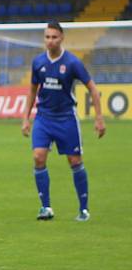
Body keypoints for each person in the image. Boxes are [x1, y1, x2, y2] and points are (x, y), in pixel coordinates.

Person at [22, 21, 105, 222]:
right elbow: (33, 91)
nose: (50, 41)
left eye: (54, 37)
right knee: (38, 157)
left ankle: (83, 209)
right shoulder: (38, 62)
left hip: (66, 118)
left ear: (62, 38)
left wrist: (99, 118)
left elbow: (93, 89)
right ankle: (46, 208)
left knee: (74, 161)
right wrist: (26, 118)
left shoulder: (73, 63)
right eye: (47, 37)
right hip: (43, 117)